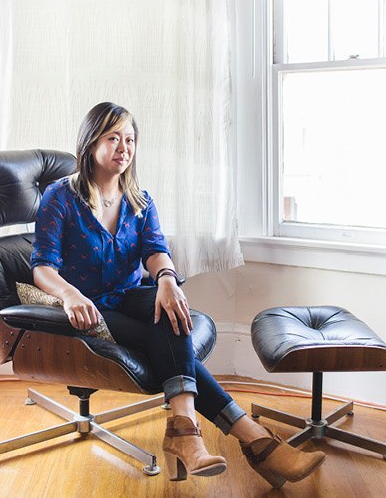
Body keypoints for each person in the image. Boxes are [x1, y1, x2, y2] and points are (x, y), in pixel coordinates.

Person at [31, 101, 325, 486]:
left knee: (171, 311)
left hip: (128, 294)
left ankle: (188, 433)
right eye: (113, 137)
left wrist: (167, 280)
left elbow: (155, 251)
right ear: (90, 143)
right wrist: (70, 296)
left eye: (131, 139)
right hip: (88, 309)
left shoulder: (140, 199)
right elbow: (42, 267)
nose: (124, 147)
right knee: (164, 333)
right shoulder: (60, 197)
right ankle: (254, 442)